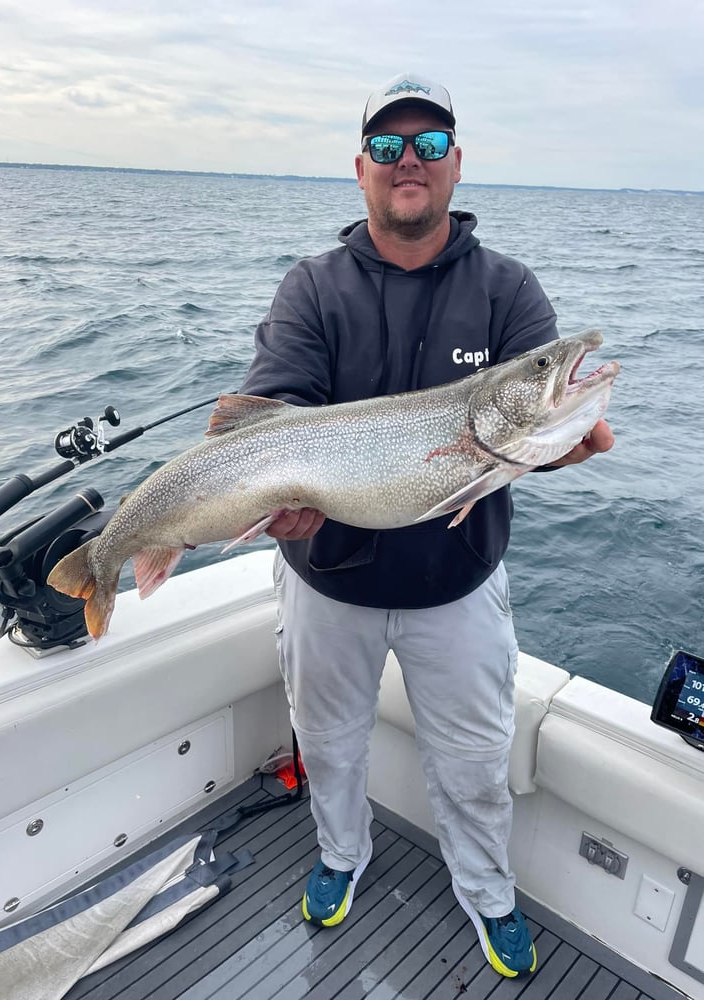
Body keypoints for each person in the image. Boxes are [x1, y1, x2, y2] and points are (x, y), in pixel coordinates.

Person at [239, 71, 614, 978]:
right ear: (360, 169)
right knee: (325, 742)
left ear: (456, 167)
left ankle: (487, 892)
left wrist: (558, 445)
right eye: (391, 146)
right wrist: (281, 501)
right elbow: (278, 400)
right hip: (327, 578)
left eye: (432, 145)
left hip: (459, 586)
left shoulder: (508, 292)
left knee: (477, 760)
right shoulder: (313, 287)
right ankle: (340, 854)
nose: (412, 161)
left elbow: (529, 428)